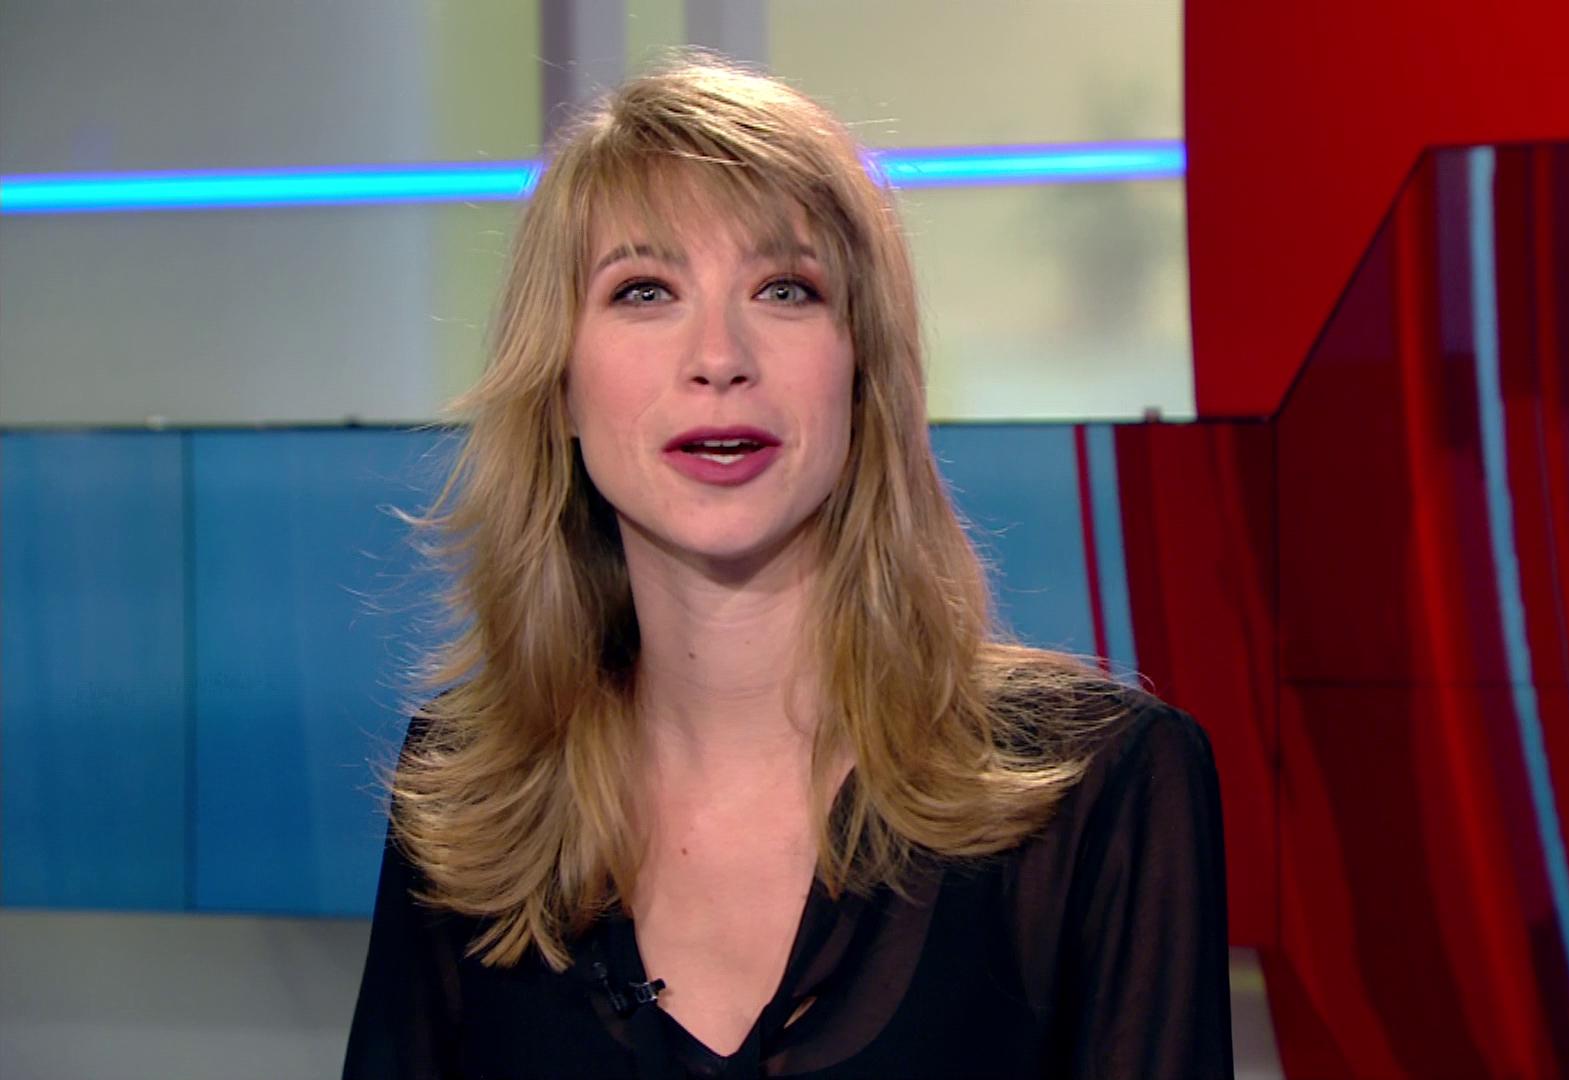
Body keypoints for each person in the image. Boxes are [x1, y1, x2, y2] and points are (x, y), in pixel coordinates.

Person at [343, 57, 1230, 1079]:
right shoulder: (467, 796)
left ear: (862, 374)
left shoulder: (1100, 791)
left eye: (785, 290)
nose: (720, 356)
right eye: (644, 290)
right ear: (561, 389)